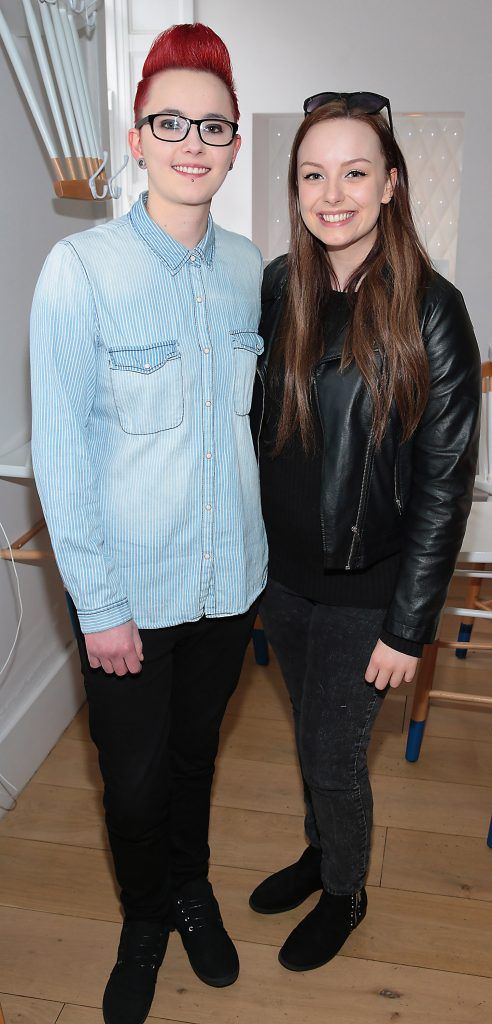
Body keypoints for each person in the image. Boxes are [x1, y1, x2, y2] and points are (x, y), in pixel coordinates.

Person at [30, 23, 267, 1024]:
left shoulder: (250, 267)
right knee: (128, 786)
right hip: (131, 598)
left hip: (229, 587)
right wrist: (101, 608)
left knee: (194, 757)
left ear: (233, 144)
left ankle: (191, 887)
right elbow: (64, 456)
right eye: (171, 120)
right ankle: (141, 919)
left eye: (212, 124)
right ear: (137, 137)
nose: (192, 140)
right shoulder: (77, 272)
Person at [249, 91, 481, 972]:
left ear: (390, 184)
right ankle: (320, 854)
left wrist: (408, 625)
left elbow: (444, 485)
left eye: (354, 172)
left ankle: (346, 889)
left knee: (335, 755)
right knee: (312, 737)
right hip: (286, 578)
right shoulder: (281, 285)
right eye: (314, 173)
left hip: (372, 591)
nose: (332, 192)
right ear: (297, 187)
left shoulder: (433, 309)